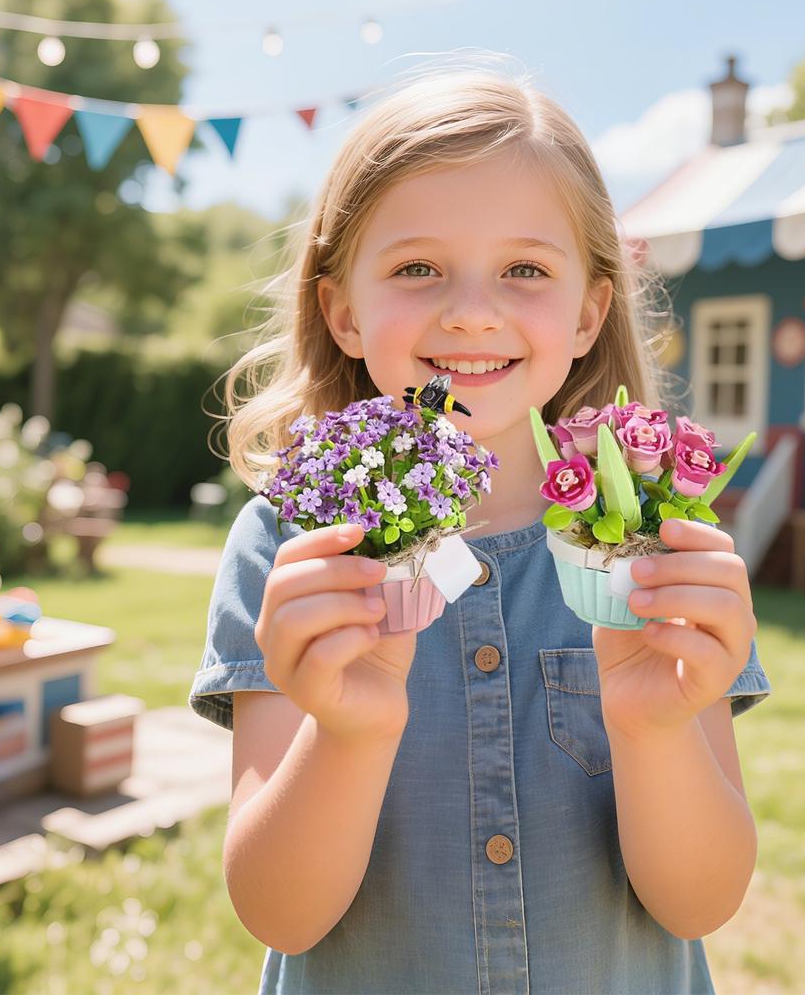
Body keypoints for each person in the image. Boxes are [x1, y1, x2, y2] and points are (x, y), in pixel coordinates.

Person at [188, 59, 772, 995]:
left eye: (524, 270)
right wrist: (348, 733)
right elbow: (278, 914)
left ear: (588, 314)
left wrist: (655, 728)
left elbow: (700, 904)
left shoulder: (657, 543)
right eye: (416, 268)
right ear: (342, 311)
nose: (470, 312)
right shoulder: (291, 549)